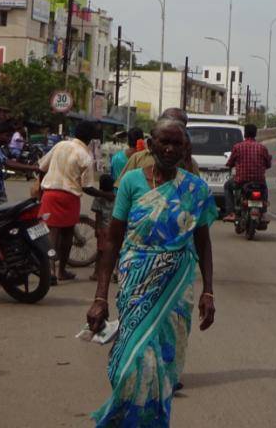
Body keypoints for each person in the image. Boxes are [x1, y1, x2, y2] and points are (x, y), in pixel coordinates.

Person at [87, 119, 217, 427]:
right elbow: (113, 241)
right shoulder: (132, 182)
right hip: (135, 283)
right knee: (127, 367)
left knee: (162, 368)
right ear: (150, 143)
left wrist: (208, 290)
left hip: (176, 289)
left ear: (186, 149)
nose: (169, 149)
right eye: (164, 142)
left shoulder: (195, 188)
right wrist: (100, 297)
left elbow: (203, 242)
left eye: (177, 144)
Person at [38, 121, 111, 284]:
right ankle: (61, 270)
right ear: (90, 138)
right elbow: (88, 187)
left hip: (50, 193)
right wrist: (106, 195)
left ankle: (49, 270)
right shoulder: (85, 156)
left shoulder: (60, 145)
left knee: (52, 234)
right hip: (70, 197)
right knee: (67, 236)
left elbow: (42, 167)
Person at [115, 109, 200, 186]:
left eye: (179, 126)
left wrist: (187, 160)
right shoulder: (138, 159)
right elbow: (122, 192)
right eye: (164, 141)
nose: (169, 149)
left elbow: (195, 194)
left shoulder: (190, 163)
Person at [0, 122, 38, 204]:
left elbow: (9, 166)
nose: (9, 139)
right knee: (6, 214)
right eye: (7, 136)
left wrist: (25, 170)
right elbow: (7, 163)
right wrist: (33, 168)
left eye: (11, 136)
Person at [223, 123, 272, 224]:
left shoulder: (237, 147)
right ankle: (263, 212)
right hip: (259, 181)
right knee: (265, 187)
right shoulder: (262, 148)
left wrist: (230, 164)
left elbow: (230, 163)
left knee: (227, 186)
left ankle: (231, 212)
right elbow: (268, 164)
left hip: (241, 181)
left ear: (245, 134)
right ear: (255, 134)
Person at [89, 173, 116, 282]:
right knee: (115, 251)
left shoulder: (99, 198)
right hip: (114, 227)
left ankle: (96, 273)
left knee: (100, 252)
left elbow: (98, 216)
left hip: (104, 228)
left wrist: (97, 229)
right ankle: (114, 272)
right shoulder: (116, 196)